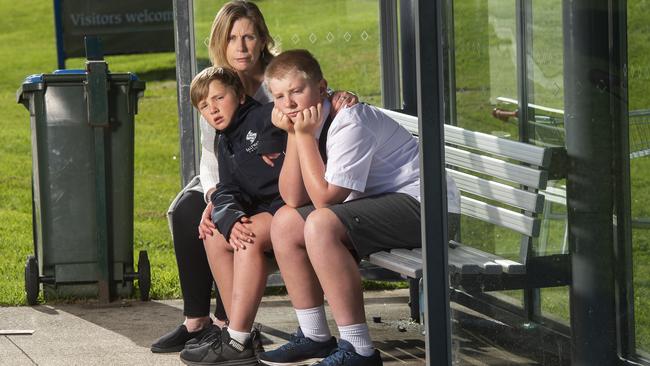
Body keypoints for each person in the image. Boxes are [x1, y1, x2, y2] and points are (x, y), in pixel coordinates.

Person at [152, 0, 358, 353]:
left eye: (249, 37)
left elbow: (308, 93)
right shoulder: (215, 86)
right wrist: (218, 199)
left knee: (237, 229)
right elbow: (212, 156)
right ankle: (202, 322)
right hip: (242, 184)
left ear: (262, 39)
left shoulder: (277, 81)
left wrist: (338, 96)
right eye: (233, 38)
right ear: (221, 42)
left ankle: (233, 330)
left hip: (284, 189)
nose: (241, 47)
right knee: (193, 212)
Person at [257, 50, 461, 366]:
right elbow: (293, 198)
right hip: (385, 206)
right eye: (280, 96)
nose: (290, 103)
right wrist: (294, 136)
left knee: (321, 224)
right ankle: (314, 336)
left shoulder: (349, 121)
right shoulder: (306, 125)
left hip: (428, 210)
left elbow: (325, 200)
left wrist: (305, 137)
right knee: (285, 222)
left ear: (322, 88)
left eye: (297, 90)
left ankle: (359, 350)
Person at [179, 66, 284, 366]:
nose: (212, 109)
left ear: (238, 95)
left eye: (218, 98)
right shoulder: (225, 141)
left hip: (289, 209)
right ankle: (236, 333)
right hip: (263, 211)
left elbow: (291, 137)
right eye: (204, 106)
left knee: (245, 238)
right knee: (213, 232)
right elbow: (227, 189)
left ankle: (236, 340)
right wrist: (229, 217)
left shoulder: (264, 118)